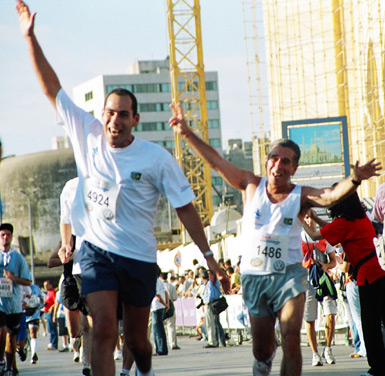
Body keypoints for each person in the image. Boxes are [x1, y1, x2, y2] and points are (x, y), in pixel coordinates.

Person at [16, 3, 230, 375]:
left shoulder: (156, 158)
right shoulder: (86, 134)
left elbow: (185, 208)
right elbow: (53, 87)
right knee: (101, 330)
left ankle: (142, 371)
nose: (115, 120)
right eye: (110, 112)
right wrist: (30, 38)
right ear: (102, 115)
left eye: (123, 114)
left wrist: (209, 256)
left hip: (139, 258)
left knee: (137, 341)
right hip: (97, 253)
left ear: (136, 119)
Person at [169, 103, 381, 376]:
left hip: (290, 276)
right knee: (263, 349)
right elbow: (216, 162)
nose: (278, 165)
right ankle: (263, 364)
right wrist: (185, 132)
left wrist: (354, 179)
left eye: (286, 161)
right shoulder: (250, 184)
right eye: (274, 158)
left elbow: (329, 196)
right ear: (267, 161)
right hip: (255, 276)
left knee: (292, 339)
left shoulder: (301, 194)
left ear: (294, 167)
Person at [303, 192, 385, 376]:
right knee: (381, 320)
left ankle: (377, 368)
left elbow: (316, 235)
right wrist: (315, 217)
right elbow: (335, 232)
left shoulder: (344, 224)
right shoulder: (360, 218)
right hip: (379, 271)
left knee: (370, 324)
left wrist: (301, 220)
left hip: (368, 275)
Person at [301, 215, 337, 366]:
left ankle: (327, 348)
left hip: (323, 281)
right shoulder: (299, 238)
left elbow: (334, 260)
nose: (310, 221)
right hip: (307, 282)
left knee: (331, 314)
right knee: (310, 319)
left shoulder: (324, 237)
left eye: (312, 218)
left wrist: (326, 267)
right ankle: (315, 353)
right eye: (307, 218)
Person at [0, 223, 32, 376]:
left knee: (11, 336)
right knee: (1, 331)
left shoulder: (18, 258)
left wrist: (12, 278)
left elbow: (28, 281)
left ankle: (10, 366)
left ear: (11, 237)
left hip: (14, 304)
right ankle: (1, 363)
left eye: (8, 235)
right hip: (0, 304)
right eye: (2, 235)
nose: (5, 238)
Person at [24, 284, 45, 365]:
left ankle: (33, 354)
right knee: (24, 337)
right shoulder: (20, 286)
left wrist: (40, 305)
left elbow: (42, 298)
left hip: (34, 314)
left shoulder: (36, 288)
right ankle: (23, 349)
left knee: (33, 334)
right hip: (23, 314)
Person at [159, 272, 180, 350]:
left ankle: (159, 344)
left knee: (159, 326)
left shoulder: (159, 286)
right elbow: (175, 298)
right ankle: (173, 344)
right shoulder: (171, 286)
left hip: (159, 306)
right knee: (171, 326)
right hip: (170, 306)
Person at [43, 280, 58, 351]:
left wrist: (52, 307)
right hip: (47, 312)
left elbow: (56, 302)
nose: (45, 287)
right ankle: (51, 341)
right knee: (50, 328)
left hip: (51, 312)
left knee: (53, 328)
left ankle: (54, 343)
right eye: (44, 286)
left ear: (51, 285)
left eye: (47, 285)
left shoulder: (52, 292)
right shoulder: (48, 293)